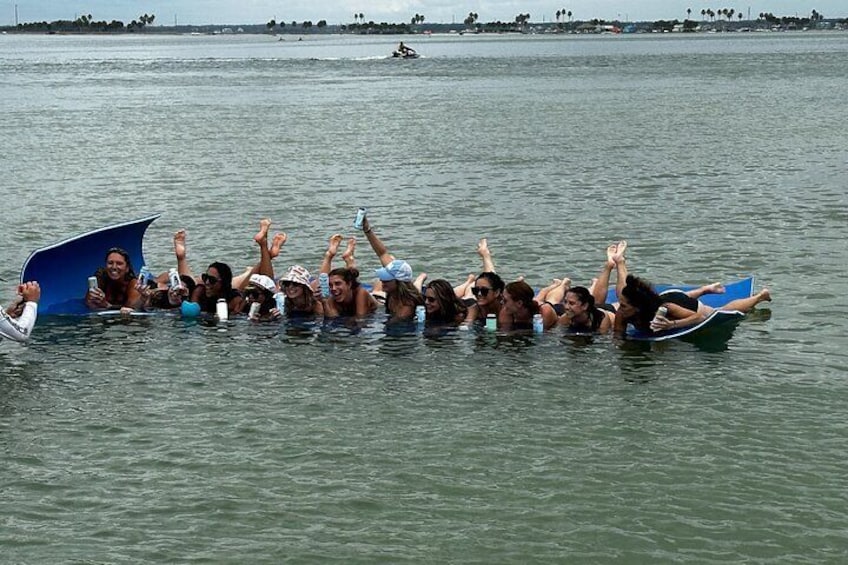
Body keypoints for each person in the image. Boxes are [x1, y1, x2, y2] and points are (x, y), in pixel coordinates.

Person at [615, 274, 772, 335]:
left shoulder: (664, 309)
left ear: (638, 307)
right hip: (668, 298)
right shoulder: (623, 313)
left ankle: (760, 296)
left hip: (682, 304)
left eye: (624, 306)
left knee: (720, 310)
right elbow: (618, 336)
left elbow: (697, 317)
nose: (620, 309)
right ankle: (705, 289)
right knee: (675, 299)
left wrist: (672, 325)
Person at [359, 215, 423, 322]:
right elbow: (382, 253)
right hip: (402, 292)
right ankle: (421, 277)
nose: (382, 281)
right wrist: (367, 229)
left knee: (417, 290)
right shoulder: (397, 288)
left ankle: (421, 278)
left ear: (399, 282)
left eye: (387, 279)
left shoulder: (406, 307)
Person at [84, 247, 144, 312]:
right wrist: (93, 299)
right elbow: (89, 303)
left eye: (119, 263)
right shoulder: (101, 278)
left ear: (127, 268)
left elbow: (131, 308)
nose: (114, 267)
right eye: (110, 263)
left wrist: (107, 305)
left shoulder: (133, 283)